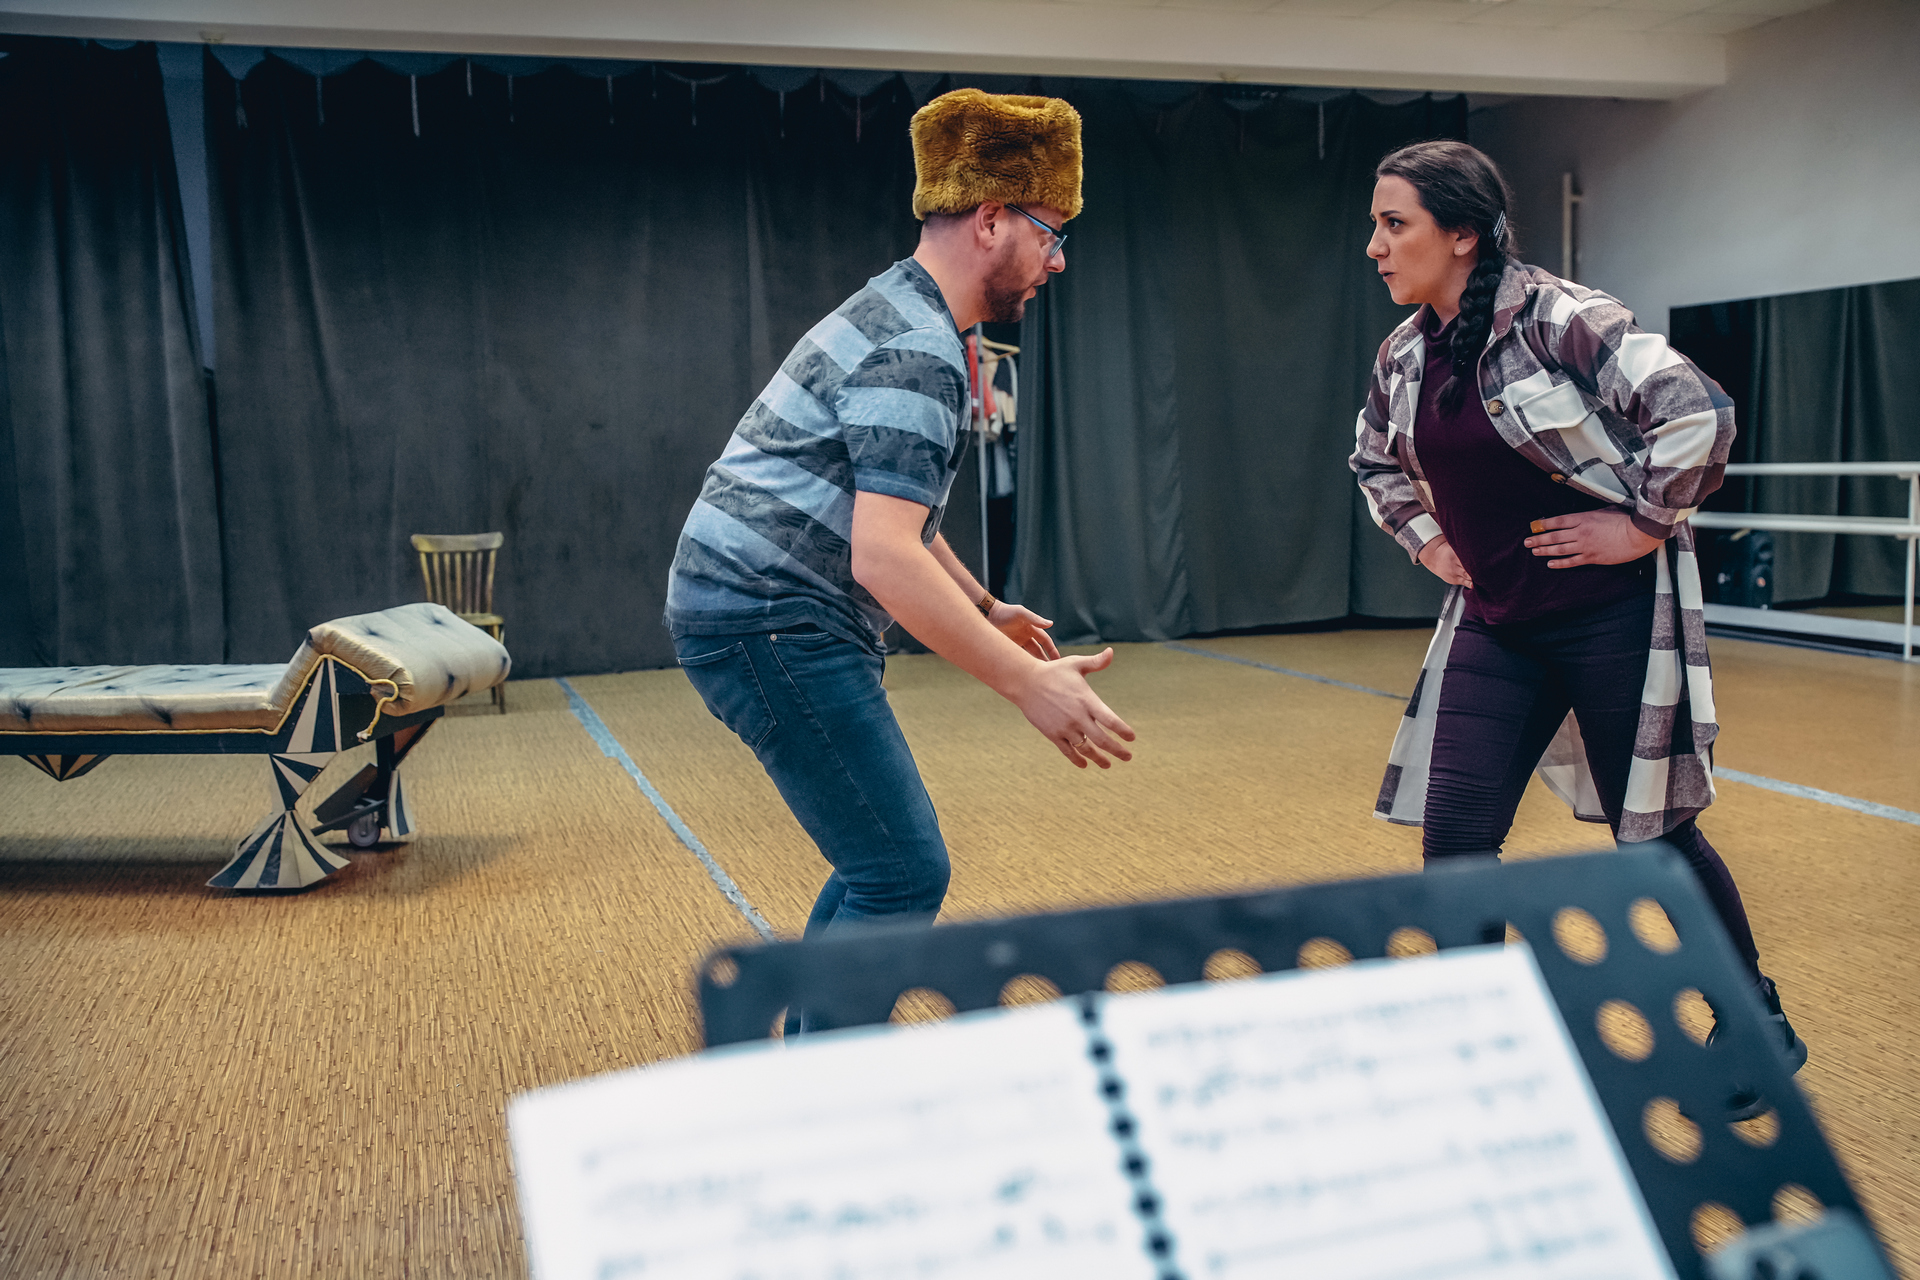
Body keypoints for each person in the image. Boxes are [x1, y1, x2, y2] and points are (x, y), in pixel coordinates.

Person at [1348, 140, 1804, 1110]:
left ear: (1462, 234)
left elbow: (1698, 414)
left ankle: (1754, 1019)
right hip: (1497, 620)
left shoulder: (1563, 320)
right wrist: (1432, 545)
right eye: (1376, 226)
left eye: (1394, 224)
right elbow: (1376, 462)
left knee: (1655, 835)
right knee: (1455, 838)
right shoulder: (1404, 354)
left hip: (1610, 619)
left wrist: (1640, 524)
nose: (1375, 246)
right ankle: (1486, 1041)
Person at [665, 89, 1135, 945]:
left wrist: (984, 608)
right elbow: (883, 558)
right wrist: (1025, 682)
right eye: (1052, 233)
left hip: (752, 612)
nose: (1058, 260)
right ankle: (819, 1040)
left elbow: (892, 509)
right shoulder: (917, 350)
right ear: (990, 219)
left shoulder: (899, 308)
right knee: (901, 874)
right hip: (769, 620)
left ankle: (812, 1033)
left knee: (879, 868)